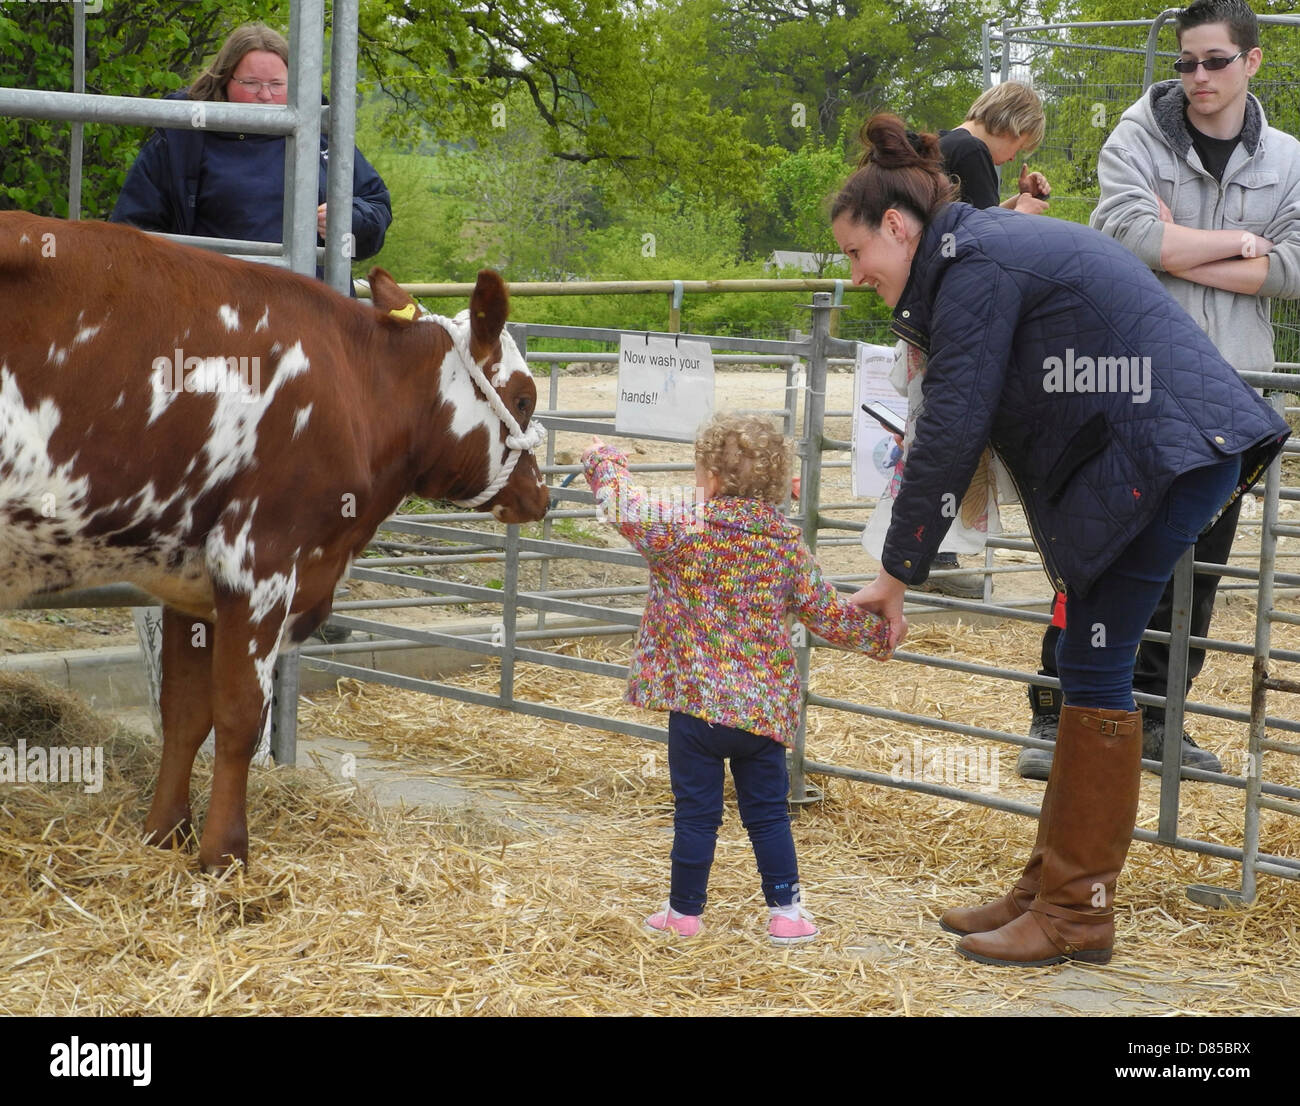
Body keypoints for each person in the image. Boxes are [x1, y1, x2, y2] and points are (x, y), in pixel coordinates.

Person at [831, 114, 1287, 966]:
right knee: (1087, 660)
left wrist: (895, 575)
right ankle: (1049, 887)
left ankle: (1077, 912)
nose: (857, 275)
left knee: (1099, 667)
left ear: (897, 227)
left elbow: (955, 425)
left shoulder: (976, 264)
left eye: (858, 254)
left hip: (1174, 453)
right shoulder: (974, 255)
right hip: (1163, 451)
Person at [1018, 0, 1300, 781]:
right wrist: (1243, 245)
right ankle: (1057, 717)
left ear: (1251, 62)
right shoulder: (1136, 135)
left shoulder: (1289, 158)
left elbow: (1298, 268)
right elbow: (1125, 236)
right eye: (1186, 62)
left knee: (1196, 569)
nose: (1198, 77)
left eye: (1215, 61)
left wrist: (1178, 253)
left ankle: (1156, 723)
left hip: (1232, 396)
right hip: (1133, 388)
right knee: (1101, 550)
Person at [581, 415, 890, 946]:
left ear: (713, 479)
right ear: (774, 483)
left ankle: (683, 915)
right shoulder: (785, 545)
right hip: (760, 715)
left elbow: (623, 505)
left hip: (697, 709)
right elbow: (828, 614)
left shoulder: (681, 528)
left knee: (696, 814)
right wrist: (881, 635)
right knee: (768, 815)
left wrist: (604, 460)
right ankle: (787, 913)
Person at [888, 82, 1053, 600]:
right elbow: (982, 244)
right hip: (951, 314)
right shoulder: (975, 152)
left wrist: (1012, 204)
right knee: (954, 427)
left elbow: (964, 225)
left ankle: (930, 551)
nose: (1016, 157)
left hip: (924, 304)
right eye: (1021, 146)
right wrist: (1024, 216)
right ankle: (938, 554)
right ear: (1015, 126)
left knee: (933, 423)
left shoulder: (950, 147)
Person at [111, 22, 392, 274]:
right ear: (224, 80)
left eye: (277, 84)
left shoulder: (320, 131)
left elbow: (376, 206)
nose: (265, 95)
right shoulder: (183, 135)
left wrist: (347, 220)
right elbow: (133, 228)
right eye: (251, 83)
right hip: (218, 305)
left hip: (310, 307)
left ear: (294, 83)